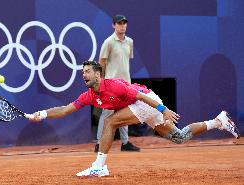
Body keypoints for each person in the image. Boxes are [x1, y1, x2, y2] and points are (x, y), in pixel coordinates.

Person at [29, 61, 240, 177]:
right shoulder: (90, 95)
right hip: (142, 105)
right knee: (179, 137)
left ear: (98, 74)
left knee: (110, 121)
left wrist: (163, 109)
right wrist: (43, 114)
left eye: (87, 72)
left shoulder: (113, 85)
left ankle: (99, 166)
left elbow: (139, 96)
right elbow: (66, 109)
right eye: (82, 72)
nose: (83, 75)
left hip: (146, 100)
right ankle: (218, 121)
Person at [95, 14, 140, 152]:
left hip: (126, 85)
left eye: (124, 23)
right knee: (107, 114)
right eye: (119, 23)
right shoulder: (108, 42)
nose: (122, 26)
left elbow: (125, 62)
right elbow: (101, 62)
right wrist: (100, 82)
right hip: (110, 84)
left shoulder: (130, 42)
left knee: (124, 114)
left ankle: (125, 143)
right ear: (113, 25)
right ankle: (99, 143)